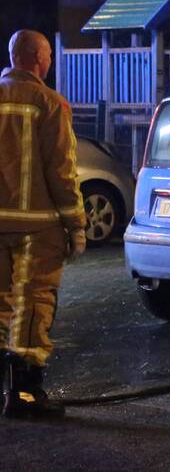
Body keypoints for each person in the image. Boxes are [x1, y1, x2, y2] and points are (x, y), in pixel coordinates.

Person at [0, 30, 86, 418]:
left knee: (0, 304)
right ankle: (25, 393)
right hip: (37, 227)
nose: (50, 63)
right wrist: (76, 225)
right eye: (48, 56)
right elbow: (62, 170)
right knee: (32, 304)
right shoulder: (49, 103)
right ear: (37, 58)